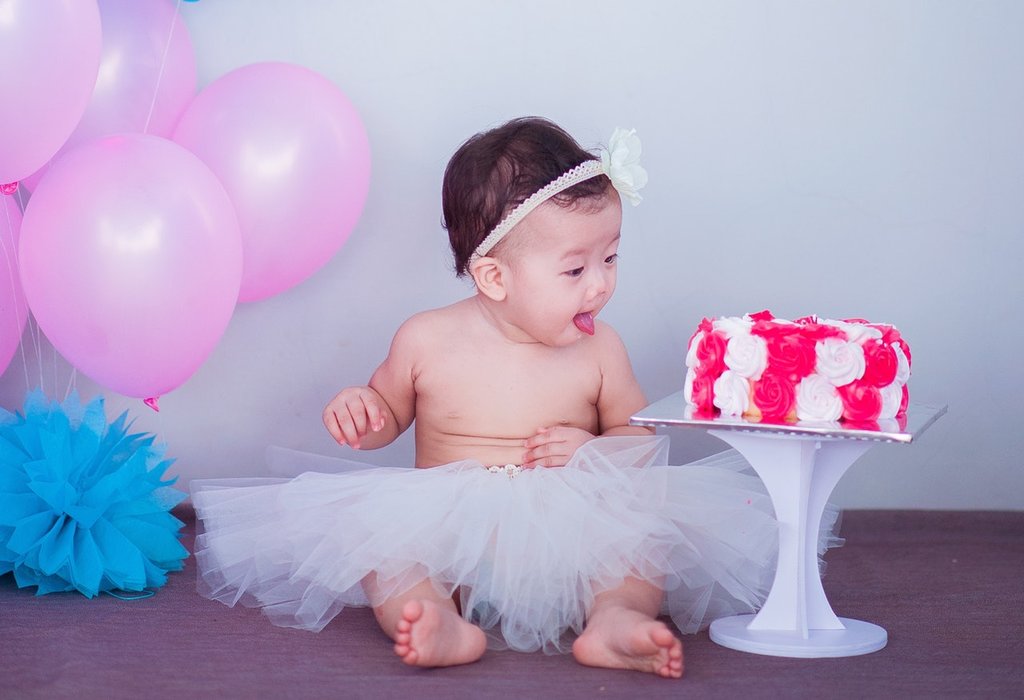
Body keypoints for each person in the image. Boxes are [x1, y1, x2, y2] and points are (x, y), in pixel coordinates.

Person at [192, 118, 782, 679]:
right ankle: (436, 622)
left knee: (637, 548)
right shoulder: (425, 338)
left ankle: (614, 619)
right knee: (386, 554)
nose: (600, 284)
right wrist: (362, 410)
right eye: (575, 269)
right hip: (447, 527)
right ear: (494, 277)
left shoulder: (600, 351)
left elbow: (640, 441)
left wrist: (591, 451)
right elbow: (387, 413)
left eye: (610, 257)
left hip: (568, 525)